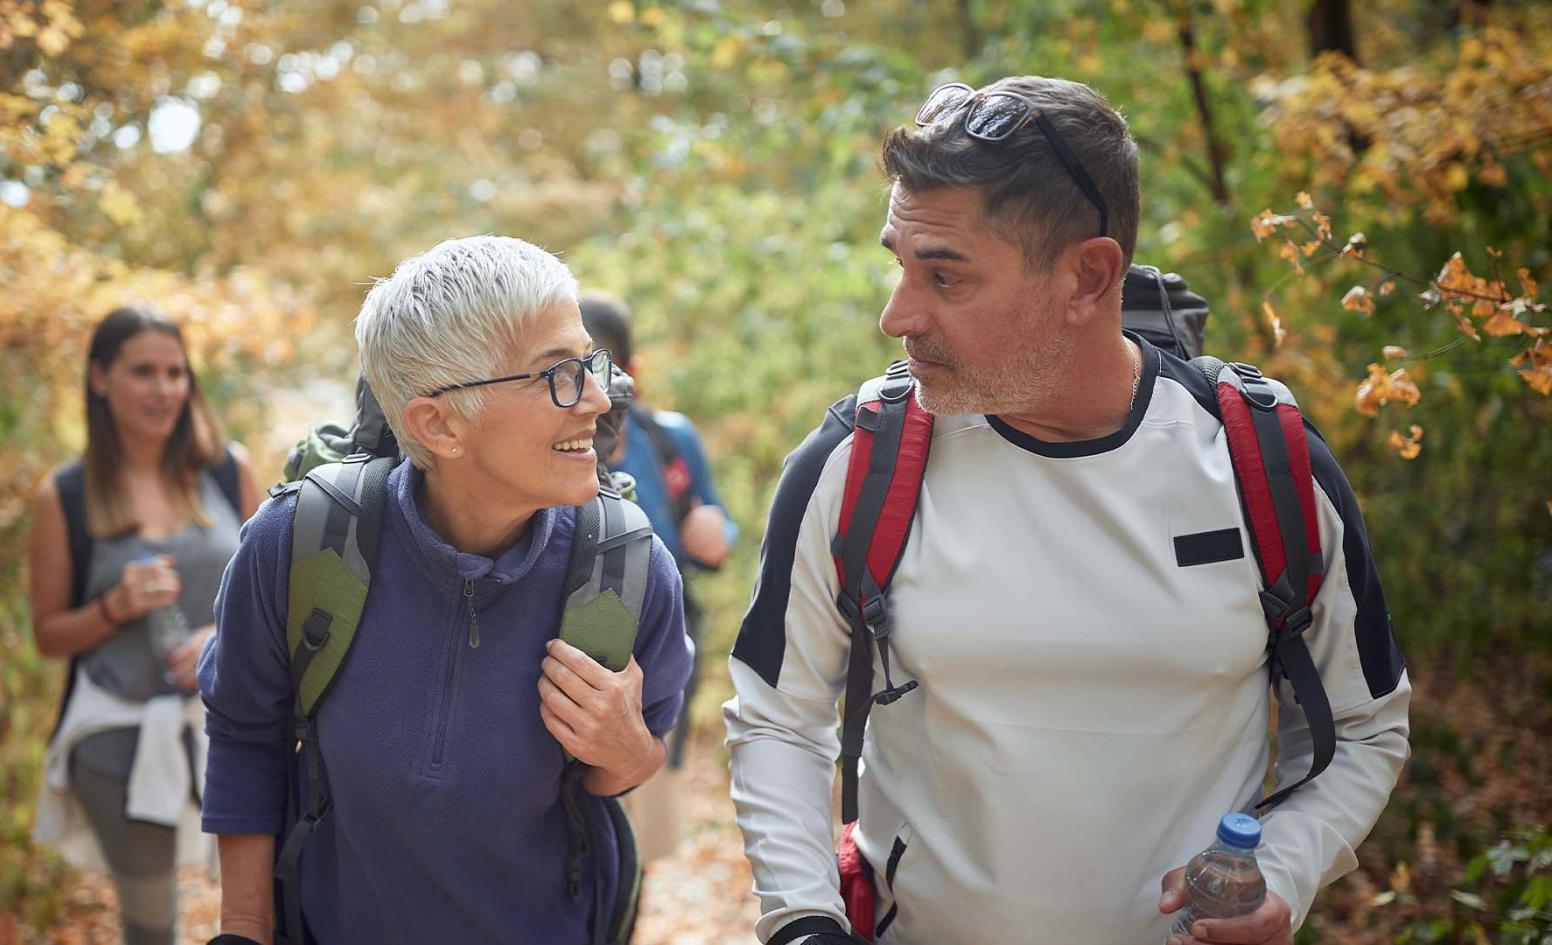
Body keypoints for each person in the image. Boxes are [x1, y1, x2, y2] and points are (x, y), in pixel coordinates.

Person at [723, 75, 1411, 945]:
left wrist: (1285, 864)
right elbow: (778, 717)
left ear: (1088, 275)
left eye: (945, 275)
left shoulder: (1259, 465)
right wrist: (802, 922)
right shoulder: (859, 463)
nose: (897, 315)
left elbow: (1364, 723)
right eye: (901, 262)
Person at [197, 236, 694, 945]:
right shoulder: (299, 543)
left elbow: (633, 765)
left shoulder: (626, 570)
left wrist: (628, 747)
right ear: (438, 423)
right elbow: (247, 735)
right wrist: (243, 930)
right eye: (557, 374)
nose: (599, 397)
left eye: (590, 363)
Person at [29, 304, 260, 945]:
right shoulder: (66, 496)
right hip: (117, 739)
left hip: (231, 728)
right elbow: (47, 636)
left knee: (254, 911)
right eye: (143, 372)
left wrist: (221, 637)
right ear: (99, 378)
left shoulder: (225, 470)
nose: (163, 390)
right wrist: (113, 608)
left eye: (175, 373)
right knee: (151, 923)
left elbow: (271, 593)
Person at [579, 291, 739, 862]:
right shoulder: (545, 450)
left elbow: (712, 528)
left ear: (631, 371)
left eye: (596, 365)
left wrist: (717, 533)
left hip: (661, 669)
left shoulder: (670, 440)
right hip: (567, 673)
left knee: (640, 845)